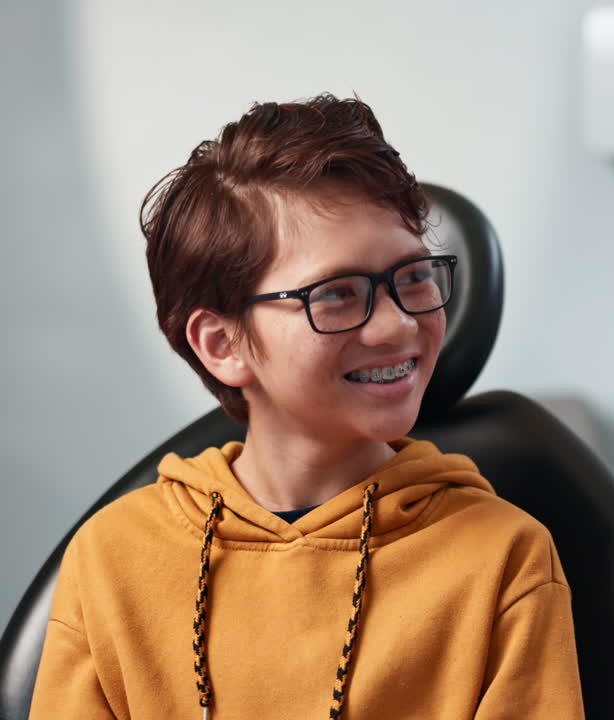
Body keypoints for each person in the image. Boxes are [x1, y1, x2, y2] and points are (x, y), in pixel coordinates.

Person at [28, 94, 585, 719]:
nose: (398, 325)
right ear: (223, 344)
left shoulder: (504, 559)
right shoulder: (111, 558)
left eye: (414, 276)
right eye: (340, 294)